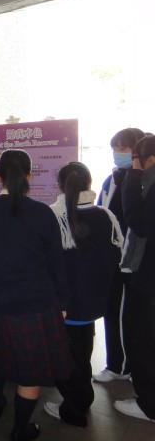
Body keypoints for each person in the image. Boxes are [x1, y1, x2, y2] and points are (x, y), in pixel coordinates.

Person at [0, 149, 70, 441]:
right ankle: (19, 430)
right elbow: (56, 263)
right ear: (29, 175)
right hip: (37, 304)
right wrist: (63, 301)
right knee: (31, 372)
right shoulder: (42, 213)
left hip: (0, 303)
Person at [43, 162, 123, 427]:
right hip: (94, 302)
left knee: (67, 360)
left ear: (59, 186)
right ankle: (81, 402)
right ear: (90, 184)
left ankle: (75, 411)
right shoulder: (105, 216)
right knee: (81, 356)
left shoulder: (54, 216)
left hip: (64, 305)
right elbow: (115, 257)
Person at [93, 127, 145, 383]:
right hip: (112, 258)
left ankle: (123, 367)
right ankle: (118, 364)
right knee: (112, 310)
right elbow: (102, 211)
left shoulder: (143, 180)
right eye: (115, 148)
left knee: (126, 314)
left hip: (132, 261)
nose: (117, 153)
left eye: (123, 148)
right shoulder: (111, 179)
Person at [114, 135, 155, 422]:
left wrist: (132, 178)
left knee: (143, 339)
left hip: (149, 277)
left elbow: (138, 223)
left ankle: (149, 405)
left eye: (135, 159)